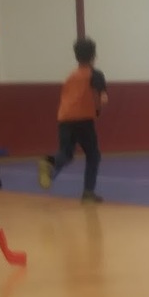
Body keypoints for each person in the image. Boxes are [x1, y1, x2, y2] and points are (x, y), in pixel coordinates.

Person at [38, 37, 108, 203]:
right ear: (94, 56)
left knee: (66, 153)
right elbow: (103, 99)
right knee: (93, 155)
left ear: (77, 56)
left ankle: (50, 162)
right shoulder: (95, 74)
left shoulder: (71, 76)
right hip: (83, 119)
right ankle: (88, 192)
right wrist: (98, 109)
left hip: (64, 118)